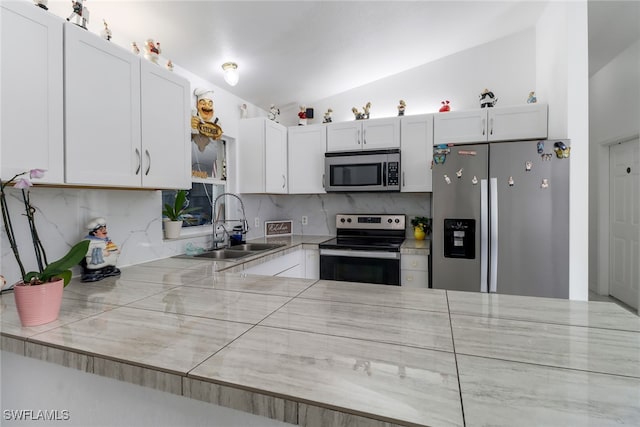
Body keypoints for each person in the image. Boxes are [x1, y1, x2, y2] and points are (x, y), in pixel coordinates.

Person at [191, 89, 223, 179]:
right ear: (198, 105)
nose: (207, 107)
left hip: (207, 172)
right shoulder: (194, 118)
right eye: (203, 103)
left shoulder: (216, 122)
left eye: (210, 104)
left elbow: (218, 136)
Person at [81, 218, 121, 282]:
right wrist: (102, 253)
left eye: (105, 228)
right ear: (94, 232)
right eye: (101, 229)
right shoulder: (89, 241)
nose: (104, 231)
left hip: (108, 263)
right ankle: (95, 272)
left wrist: (116, 250)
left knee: (110, 266)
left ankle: (109, 269)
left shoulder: (107, 240)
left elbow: (112, 246)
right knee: (96, 270)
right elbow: (86, 252)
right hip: (96, 265)